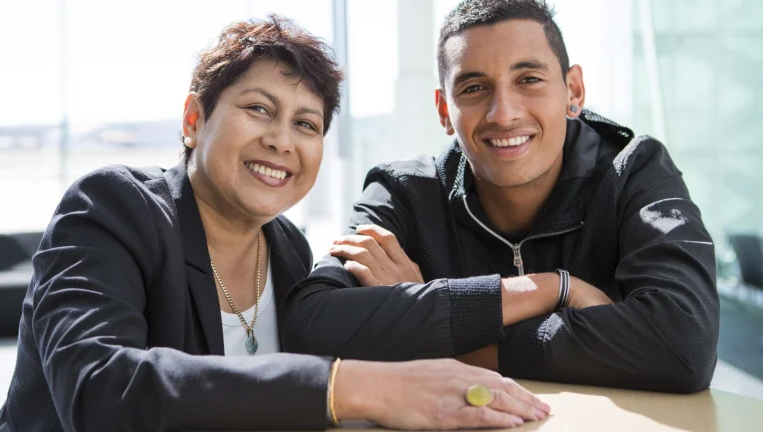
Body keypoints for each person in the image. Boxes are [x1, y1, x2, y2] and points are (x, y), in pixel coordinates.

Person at [0, 16, 551, 432]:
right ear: (194, 120)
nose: (282, 140)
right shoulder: (113, 208)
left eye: (306, 123)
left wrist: (405, 305)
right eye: (258, 109)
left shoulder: (288, 251)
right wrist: (347, 384)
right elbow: (101, 392)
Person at [284, 0, 719, 393]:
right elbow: (312, 325)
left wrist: (435, 326)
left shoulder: (633, 172)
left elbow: (683, 343)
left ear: (574, 91)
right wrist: (552, 287)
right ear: (443, 110)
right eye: (474, 88)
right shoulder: (403, 193)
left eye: (528, 79)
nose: (503, 113)